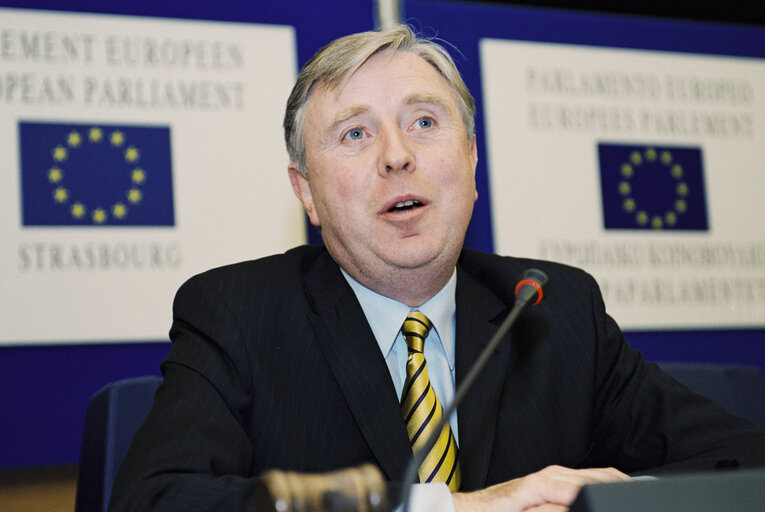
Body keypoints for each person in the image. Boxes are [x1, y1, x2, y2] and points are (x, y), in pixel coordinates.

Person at [109, 25, 765, 512]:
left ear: (471, 162)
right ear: (305, 191)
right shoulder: (239, 311)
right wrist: (451, 508)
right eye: (355, 133)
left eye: (423, 121)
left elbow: (740, 462)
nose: (396, 156)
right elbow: (157, 498)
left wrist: (603, 500)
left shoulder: (550, 308)